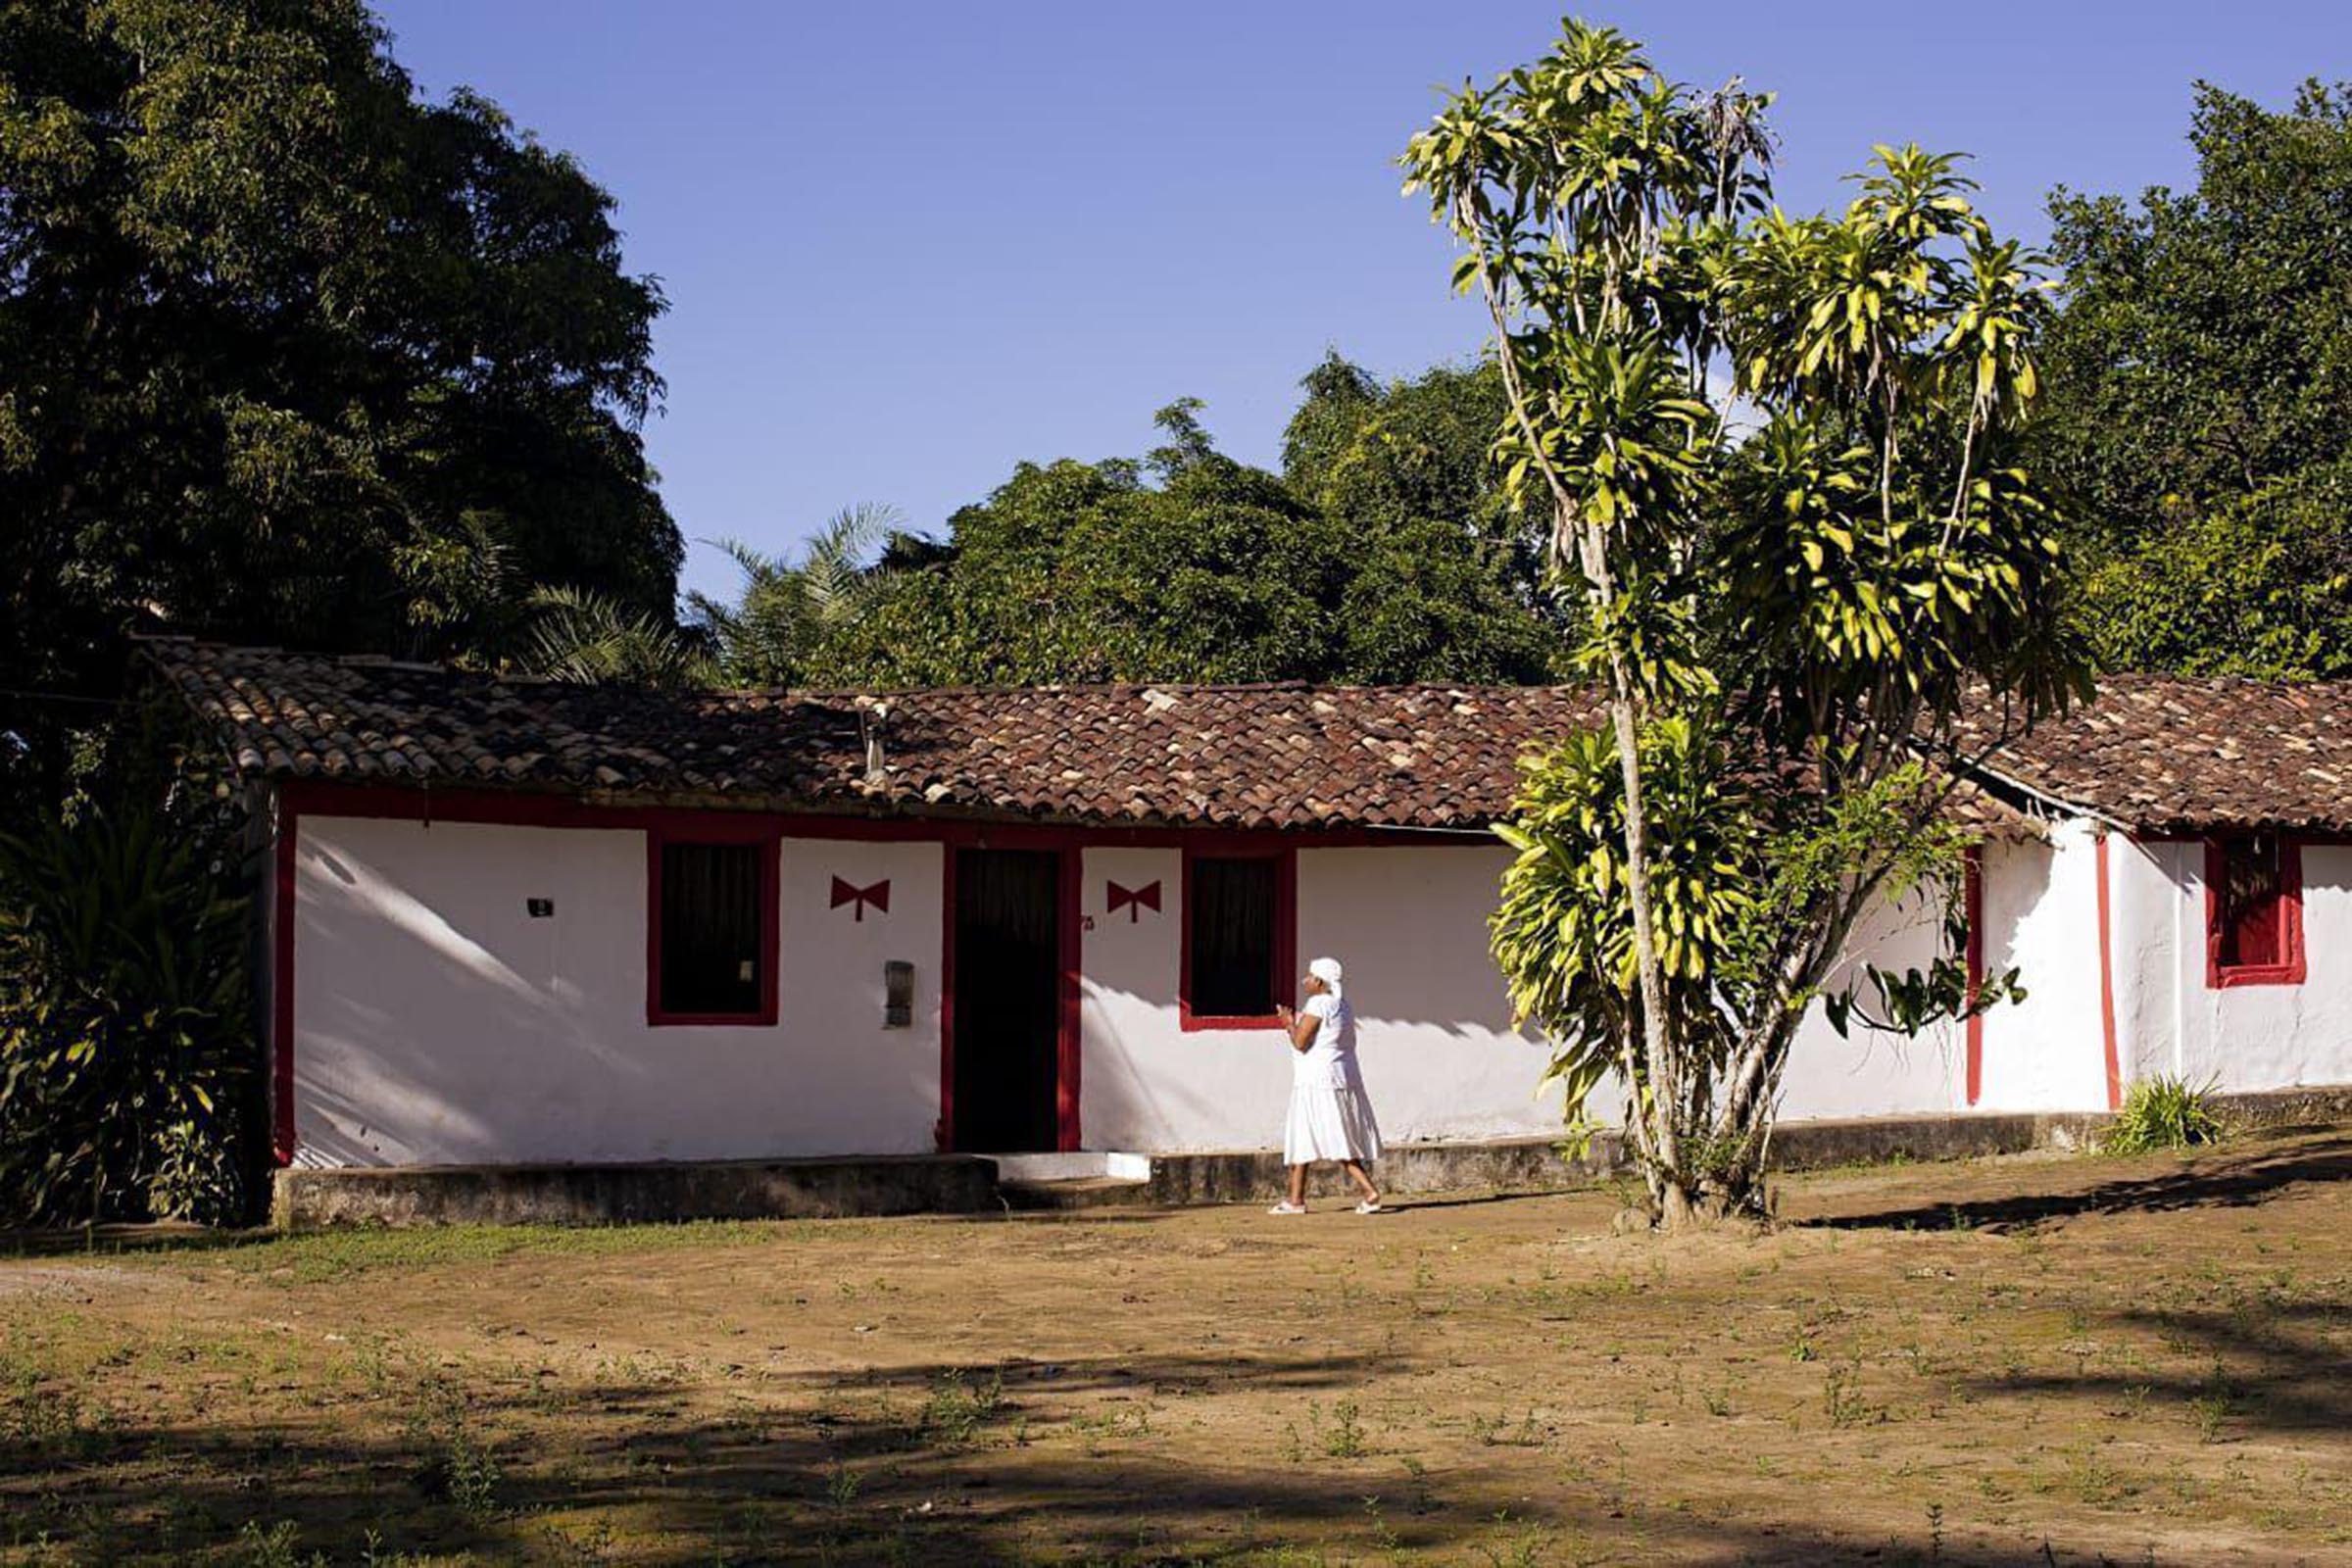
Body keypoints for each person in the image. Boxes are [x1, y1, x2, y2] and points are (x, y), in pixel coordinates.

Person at [1267, 956, 1383, 1215]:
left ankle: (1370, 1192)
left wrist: (1288, 1022)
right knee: (1304, 1135)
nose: (1304, 981)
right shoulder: (1343, 1005)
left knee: (1336, 1138)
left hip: (1318, 1082)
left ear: (1319, 981)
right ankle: (1295, 1200)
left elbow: (1300, 1042)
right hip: (1335, 1077)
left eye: (1309, 977)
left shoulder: (1318, 1003)